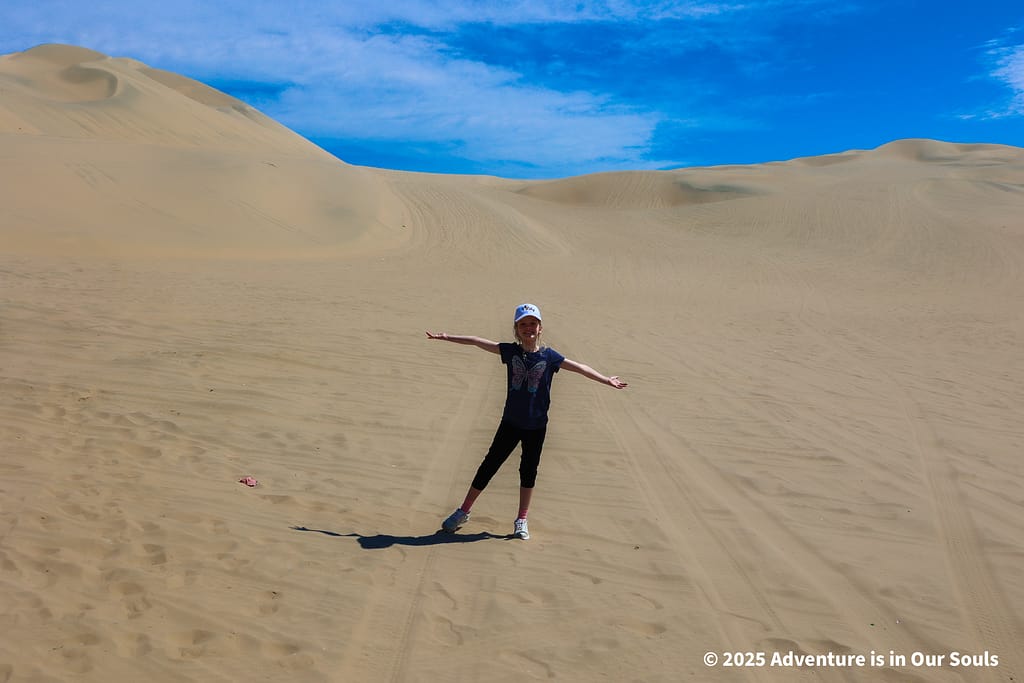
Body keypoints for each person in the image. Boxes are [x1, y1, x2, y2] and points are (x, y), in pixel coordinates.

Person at [425, 303, 628, 540]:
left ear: (540, 327)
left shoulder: (550, 357)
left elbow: (579, 368)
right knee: (489, 465)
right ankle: (464, 511)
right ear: (516, 329)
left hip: (536, 427)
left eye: (532, 323)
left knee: (528, 471)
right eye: (523, 324)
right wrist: (447, 337)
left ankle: (521, 519)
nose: (528, 328)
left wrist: (605, 380)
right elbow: (477, 341)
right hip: (510, 423)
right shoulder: (511, 352)